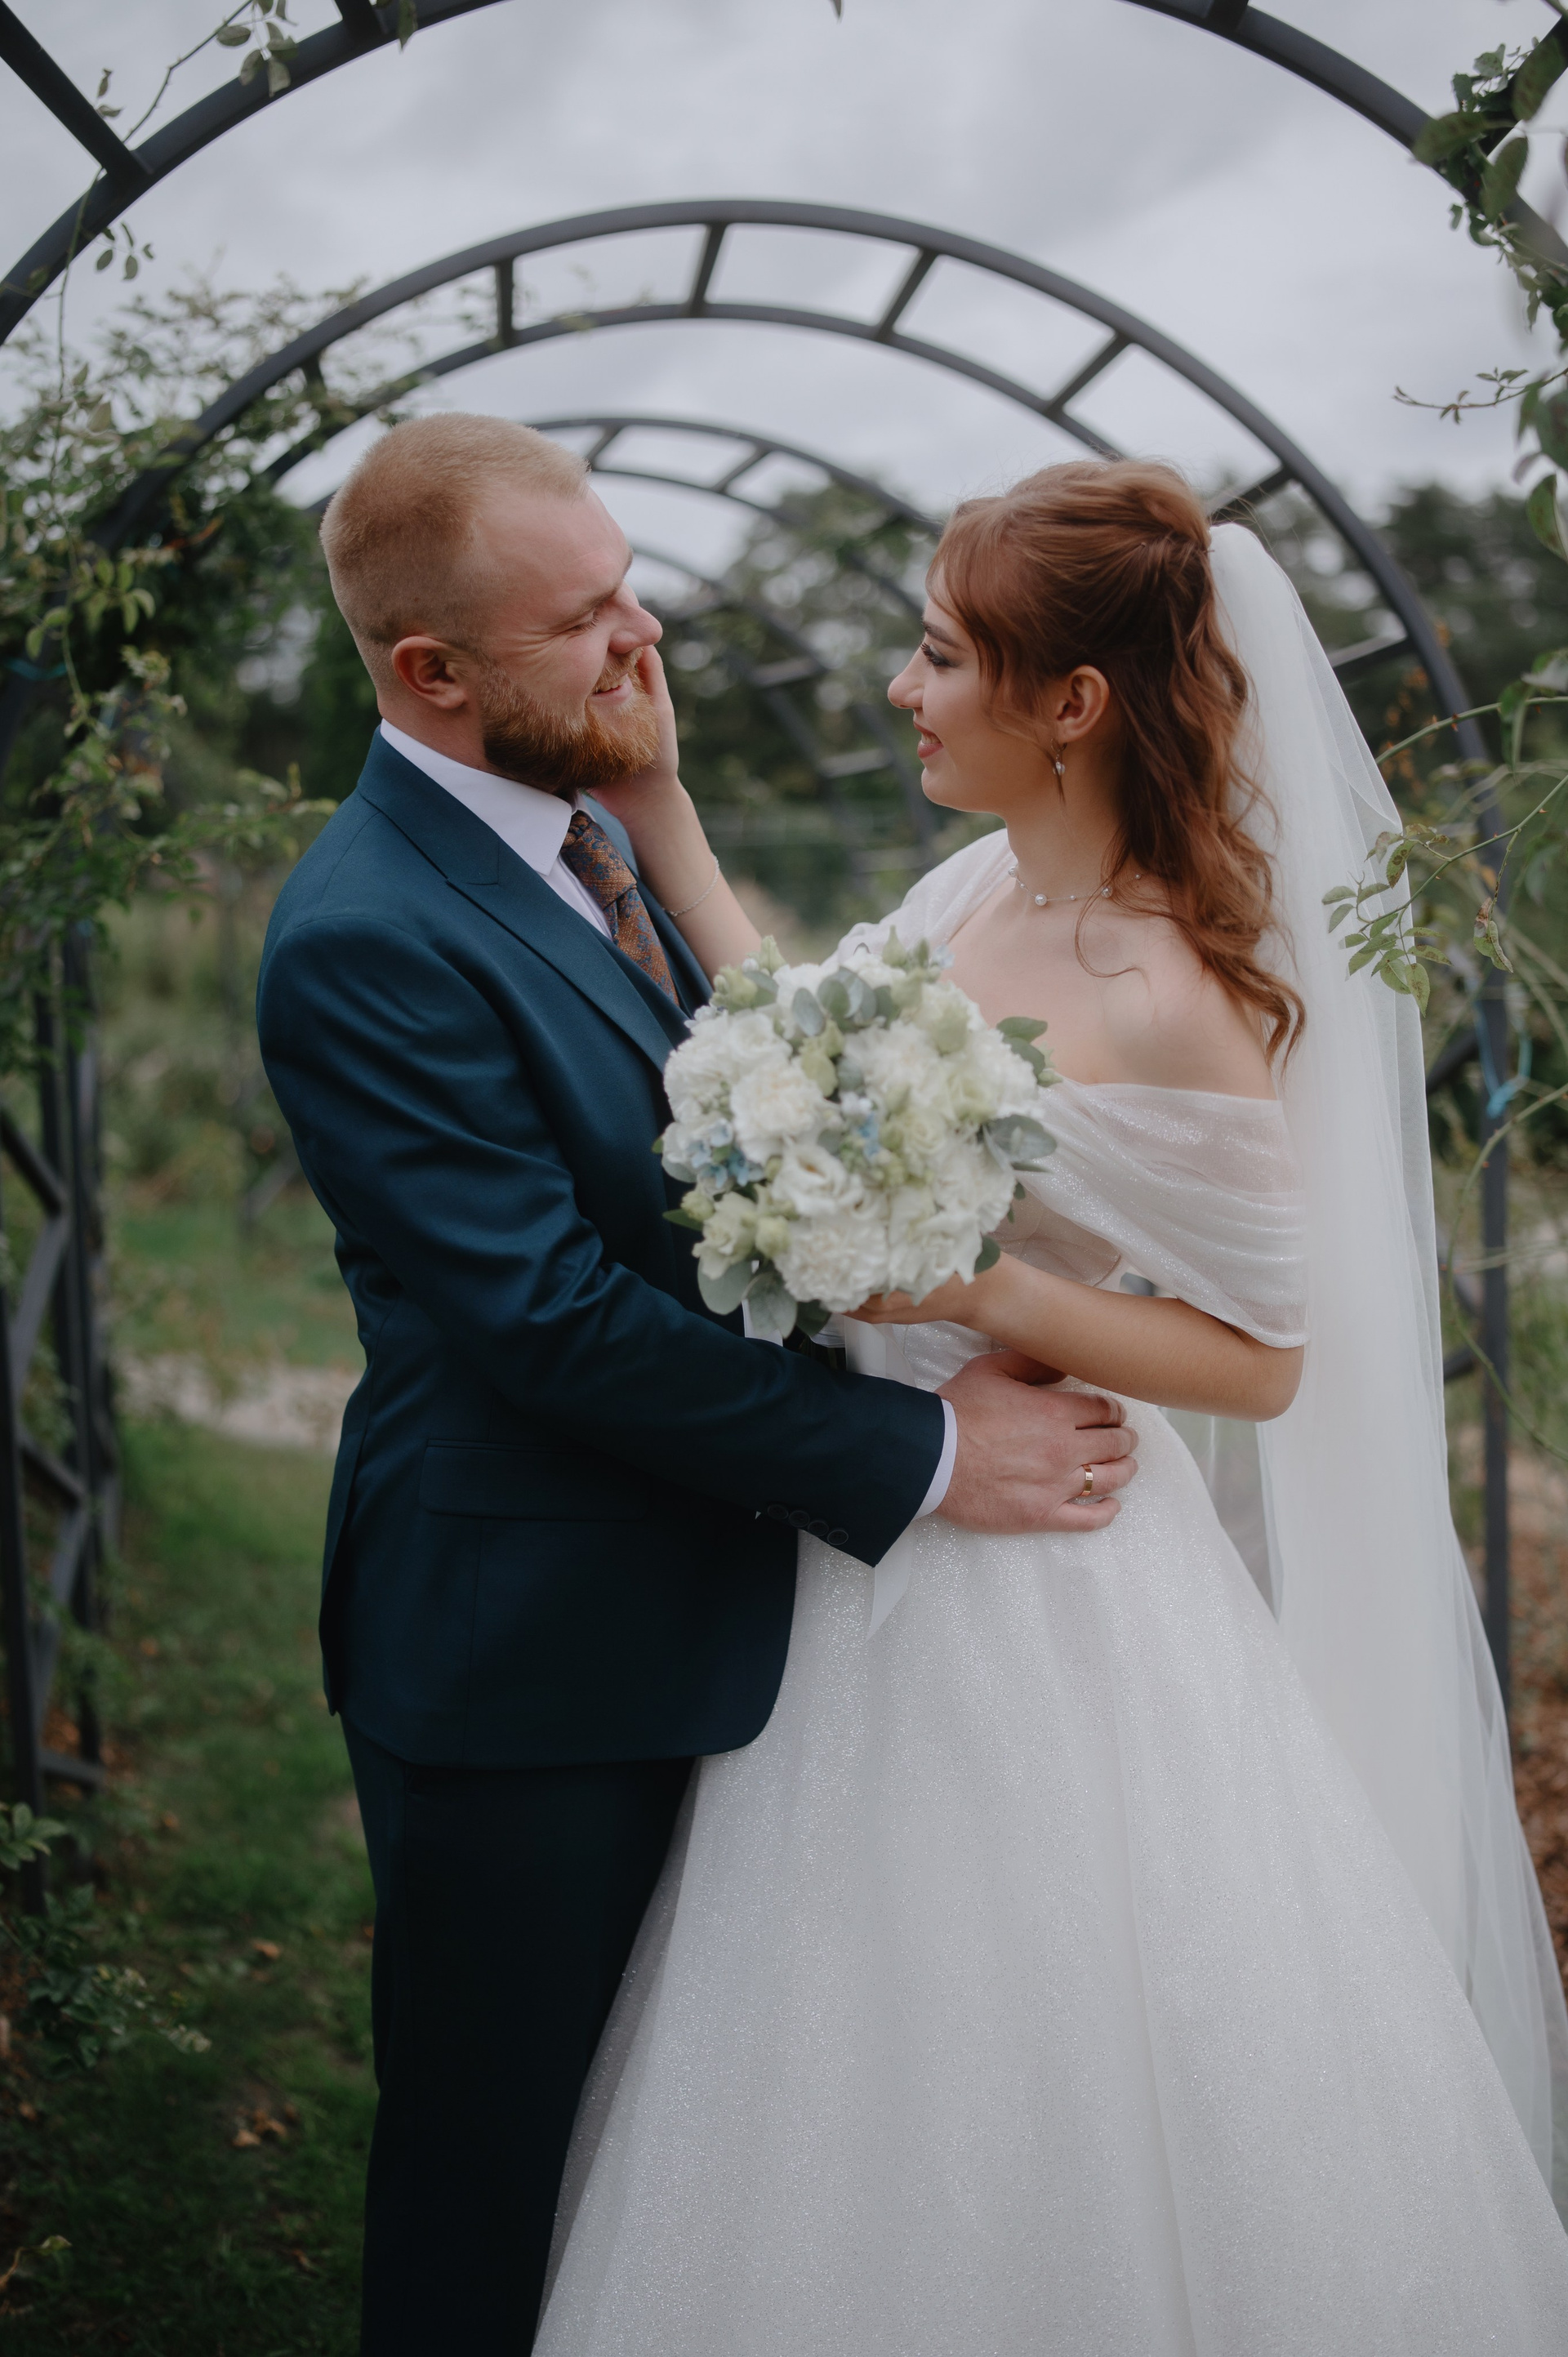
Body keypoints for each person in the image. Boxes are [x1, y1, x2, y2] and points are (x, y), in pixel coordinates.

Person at [534, 460, 1568, 2353]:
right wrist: (663, 809)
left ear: (1072, 700)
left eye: (943, 655)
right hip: (879, 1538)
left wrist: (986, 1290)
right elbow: (814, 1060)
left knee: (1064, 2029)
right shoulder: (973, 886)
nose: (904, 691)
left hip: (1059, 1573)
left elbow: (1266, 1358)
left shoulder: (1173, 990)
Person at [254, 414, 1141, 2355]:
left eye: (631, 587)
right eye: (585, 619)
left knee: (667, 2175)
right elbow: (555, 1319)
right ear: (434, 671)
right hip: (527, 1663)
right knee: (498, 2180)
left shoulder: (591, 836)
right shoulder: (365, 935)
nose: (642, 640)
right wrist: (925, 1449)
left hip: (716, 1610)